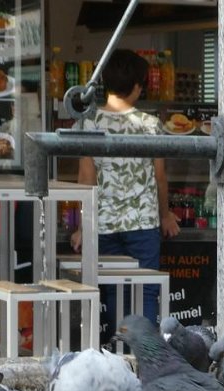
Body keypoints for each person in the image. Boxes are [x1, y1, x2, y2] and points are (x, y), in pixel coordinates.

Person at [72, 49, 180, 324]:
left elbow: (85, 179)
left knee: (113, 293)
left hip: (104, 226)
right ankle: (145, 349)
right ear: (137, 86)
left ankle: (119, 349)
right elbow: (159, 177)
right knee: (146, 292)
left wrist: (83, 227)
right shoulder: (150, 125)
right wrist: (165, 215)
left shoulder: (88, 123)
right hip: (143, 224)